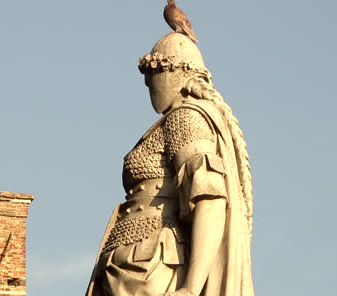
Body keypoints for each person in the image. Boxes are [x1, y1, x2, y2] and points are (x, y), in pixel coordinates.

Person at [86, 33, 253, 296]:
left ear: (173, 71)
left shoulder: (185, 118)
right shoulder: (171, 121)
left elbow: (210, 203)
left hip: (154, 269)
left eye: (153, 73)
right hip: (130, 265)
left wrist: (190, 287)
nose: (149, 85)